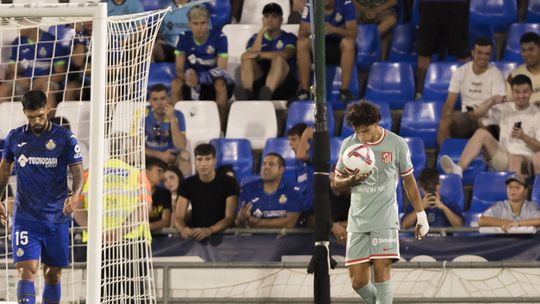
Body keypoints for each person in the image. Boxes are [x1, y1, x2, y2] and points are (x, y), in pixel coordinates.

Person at [333, 102, 429, 304]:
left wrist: (421, 215)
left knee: (381, 270)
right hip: (358, 221)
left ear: (376, 122)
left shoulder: (397, 144)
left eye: (366, 131)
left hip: (384, 218)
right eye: (358, 132)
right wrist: (351, 181)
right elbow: (336, 182)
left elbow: (408, 181)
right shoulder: (349, 145)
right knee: (358, 282)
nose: (363, 137)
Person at [0, 90, 84, 304]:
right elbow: (4, 170)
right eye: (31, 117)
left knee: (52, 274)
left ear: (47, 109)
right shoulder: (15, 137)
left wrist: (75, 196)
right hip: (26, 218)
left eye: (40, 115)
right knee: (26, 270)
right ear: (24, 113)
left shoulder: (64, 137)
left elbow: (77, 171)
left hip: (57, 218)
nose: (36, 121)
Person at [73, 135, 153, 303]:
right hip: (132, 243)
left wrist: (94, 231)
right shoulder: (137, 174)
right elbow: (144, 207)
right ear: (127, 150)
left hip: (98, 243)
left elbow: (76, 208)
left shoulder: (88, 174)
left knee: (104, 295)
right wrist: (121, 231)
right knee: (136, 296)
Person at [441, 74, 540, 177]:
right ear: (512, 92)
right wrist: (491, 101)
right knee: (481, 133)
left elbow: (539, 147)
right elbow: (475, 115)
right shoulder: (505, 108)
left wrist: (524, 137)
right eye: (517, 92)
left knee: (516, 158)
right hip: (504, 157)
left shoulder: (537, 114)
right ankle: (459, 169)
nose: (521, 96)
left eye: (525, 92)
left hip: (528, 161)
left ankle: (515, 188)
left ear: (531, 91)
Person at [171, 5, 234, 132]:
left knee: (220, 84)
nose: (200, 27)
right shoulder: (183, 38)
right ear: (189, 24)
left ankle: (220, 130)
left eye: (203, 23)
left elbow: (221, 69)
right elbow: (178, 69)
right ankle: (178, 129)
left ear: (208, 23)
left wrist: (199, 78)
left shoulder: (220, 37)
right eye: (195, 23)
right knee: (175, 84)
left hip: (211, 80)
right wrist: (188, 78)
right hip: (190, 80)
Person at [437, 38, 506, 146]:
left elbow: (498, 105)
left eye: (487, 54)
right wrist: (445, 118)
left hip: (487, 117)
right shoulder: (461, 72)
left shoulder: (496, 74)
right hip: (467, 117)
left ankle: (485, 161)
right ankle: (444, 158)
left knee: (483, 123)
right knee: (445, 122)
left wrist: (480, 113)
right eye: (479, 53)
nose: (483, 57)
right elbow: (449, 103)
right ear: (473, 52)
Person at [174, 143, 239, 241]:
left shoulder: (229, 182)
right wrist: (183, 229)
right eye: (199, 159)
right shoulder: (187, 183)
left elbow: (230, 218)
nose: (203, 164)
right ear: (195, 162)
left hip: (223, 237)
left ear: (214, 161)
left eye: (208, 159)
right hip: (196, 236)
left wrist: (210, 230)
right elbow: (178, 217)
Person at [296, 0, 357, 102]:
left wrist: (334, 30)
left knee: (349, 43)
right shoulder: (310, 5)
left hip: (338, 46)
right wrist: (312, 29)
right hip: (319, 45)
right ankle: (304, 90)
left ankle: (344, 90)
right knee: (302, 43)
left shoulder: (346, 4)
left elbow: (353, 34)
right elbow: (301, 33)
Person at [237, 2, 298, 101]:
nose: (270, 20)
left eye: (274, 16)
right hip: (260, 83)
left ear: (281, 20)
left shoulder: (289, 38)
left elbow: (285, 54)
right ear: (262, 19)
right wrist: (261, 33)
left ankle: (267, 92)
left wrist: (259, 55)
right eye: (266, 16)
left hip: (284, 84)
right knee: (248, 61)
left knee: (278, 59)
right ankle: (247, 93)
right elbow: (245, 57)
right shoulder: (254, 39)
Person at [0, 26, 68, 109]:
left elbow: (61, 74)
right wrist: (19, 78)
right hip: (26, 84)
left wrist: (44, 79)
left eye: (21, 24)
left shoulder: (52, 41)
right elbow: (12, 72)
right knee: (5, 88)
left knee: (48, 89)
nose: (18, 27)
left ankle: (49, 121)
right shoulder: (18, 42)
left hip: (46, 82)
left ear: (33, 25)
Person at [415, 0, 470, 96]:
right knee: (424, 51)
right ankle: (419, 93)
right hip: (430, 4)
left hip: (457, 5)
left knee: (462, 52)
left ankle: (469, 92)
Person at [235, 153, 302, 228]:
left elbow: (289, 224)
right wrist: (241, 219)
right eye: (264, 164)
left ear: (281, 170)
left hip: (284, 238)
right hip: (255, 238)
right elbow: (239, 223)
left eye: (271, 164)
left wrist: (259, 223)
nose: (266, 167)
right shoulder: (248, 188)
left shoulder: (292, 190)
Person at [144, 83, 190, 176]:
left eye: (162, 98)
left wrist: (172, 119)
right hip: (149, 154)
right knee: (131, 155)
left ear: (169, 99)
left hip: (171, 156)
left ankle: (183, 188)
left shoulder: (178, 115)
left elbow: (181, 146)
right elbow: (134, 146)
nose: (159, 103)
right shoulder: (142, 113)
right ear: (150, 101)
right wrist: (159, 155)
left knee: (185, 155)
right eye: (155, 99)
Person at [287, 123, 314, 221]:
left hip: (317, 208)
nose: (290, 144)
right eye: (289, 140)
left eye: (294, 139)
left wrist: (306, 136)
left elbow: (301, 155)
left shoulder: (315, 153)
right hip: (304, 208)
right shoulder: (298, 161)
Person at [507, 32, 540, 105]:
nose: (527, 54)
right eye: (524, 50)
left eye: (531, 49)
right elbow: (508, 104)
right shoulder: (513, 76)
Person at [147, 157, 173, 234]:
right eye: (159, 171)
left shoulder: (165, 193)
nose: (162, 176)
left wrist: (146, 228)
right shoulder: (133, 192)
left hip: (159, 238)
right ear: (147, 171)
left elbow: (166, 222)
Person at [329, 168, 350, 246]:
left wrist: (338, 224)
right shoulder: (322, 191)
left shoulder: (357, 191)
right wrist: (332, 225)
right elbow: (313, 219)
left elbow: (363, 218)